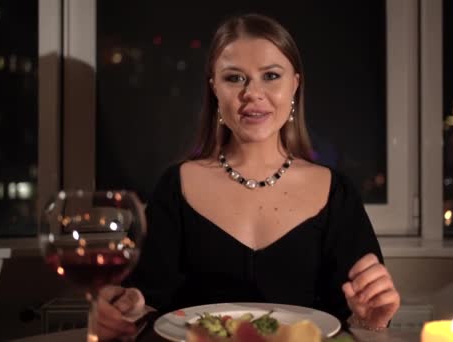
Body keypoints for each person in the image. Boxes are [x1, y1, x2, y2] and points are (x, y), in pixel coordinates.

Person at [94, 13, 400, 341]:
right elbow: (146, 304)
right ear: (214, 88)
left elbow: (356, 320)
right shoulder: (176, 186)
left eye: (270, 75)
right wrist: (126, 309)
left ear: (295, 84)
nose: (253, 93)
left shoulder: (337, 193)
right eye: (235, 78)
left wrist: (373, 320)